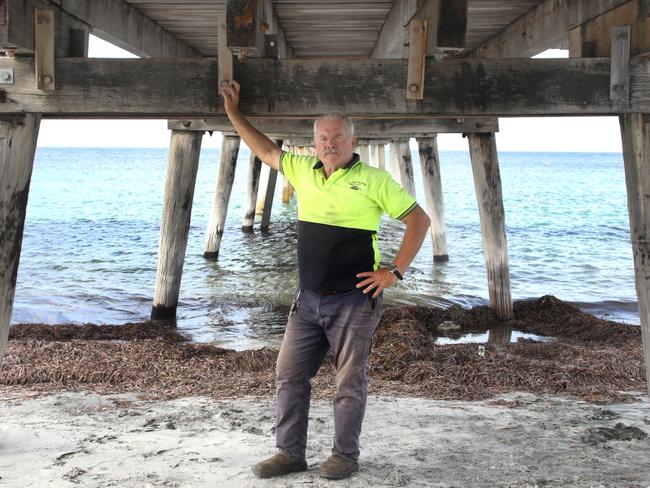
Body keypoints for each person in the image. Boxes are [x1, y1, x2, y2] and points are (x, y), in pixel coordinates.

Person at [220, 80, 431, 480]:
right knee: (289, 374)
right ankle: (289, 453)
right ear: (314, 143)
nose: (329, 143)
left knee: (348, 381)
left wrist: (394, 271)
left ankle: (344, 456)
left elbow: (419, 220)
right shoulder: (302, 170)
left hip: (353, 300)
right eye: (322, 137)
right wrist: (233, 114)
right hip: (309, 300)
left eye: (337, 136)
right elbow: (265, 149)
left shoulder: (374, 180)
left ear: (354, 141)